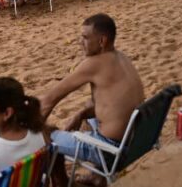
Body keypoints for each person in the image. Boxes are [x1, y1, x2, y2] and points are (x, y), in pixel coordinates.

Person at [41, 14, 145, 187]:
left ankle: (64, 183)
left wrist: (29, 135)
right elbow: (111, 104)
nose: (80, 42)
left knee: (46, 135)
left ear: (102, 41)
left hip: (110, 150)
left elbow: (49, 100)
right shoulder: (121, 58)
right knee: (89, 107)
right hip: (135, 140)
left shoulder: (94, 64)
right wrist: (80, 114)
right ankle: (98, 178)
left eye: (85, 37)